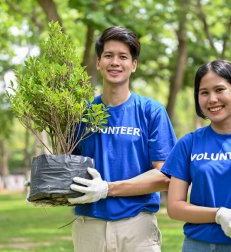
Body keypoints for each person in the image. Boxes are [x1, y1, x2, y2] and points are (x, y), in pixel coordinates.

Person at [68, 26, 177, 252]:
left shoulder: (151, 111)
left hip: (137, 226)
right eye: (108, 55)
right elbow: (69, 167)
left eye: (123, 57)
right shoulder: (81, 114)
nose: (115, 62)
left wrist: (108, 188)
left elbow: (166, 175)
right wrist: (45, 187)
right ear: (98, 63)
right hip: (89, 226)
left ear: (133, 65)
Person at [161, 60, 231, 252]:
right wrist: (218, 214)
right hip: (197, 246)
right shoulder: (189, 143)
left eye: (219, 90)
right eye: (204, 92)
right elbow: (175, 207)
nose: (212, 99)